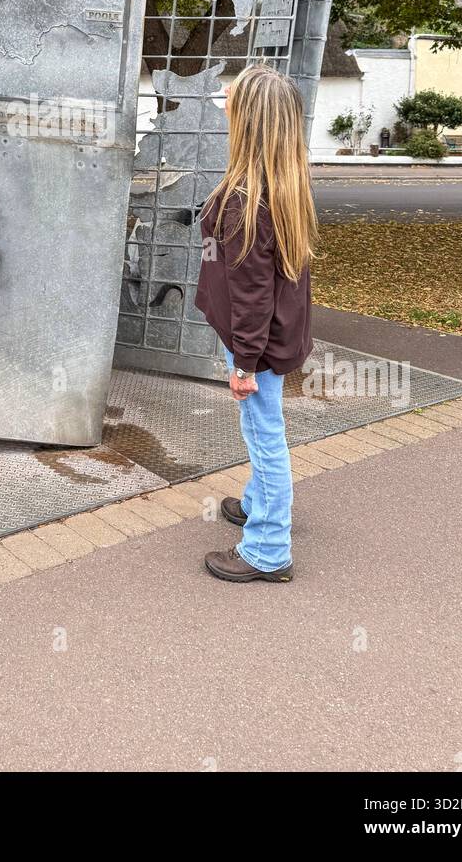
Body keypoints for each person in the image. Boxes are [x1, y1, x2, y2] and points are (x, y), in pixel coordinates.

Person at [195, 65, 317, 584]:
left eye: (233, 105)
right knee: (265, 430)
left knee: (264, 435)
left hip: (256, 344)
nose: (225, 107)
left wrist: (243, 362)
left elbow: (250, 293)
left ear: (250, 123)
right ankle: (256, 504)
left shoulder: (246, 200)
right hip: (275, 334)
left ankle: (268, 549)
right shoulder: (284, 185)